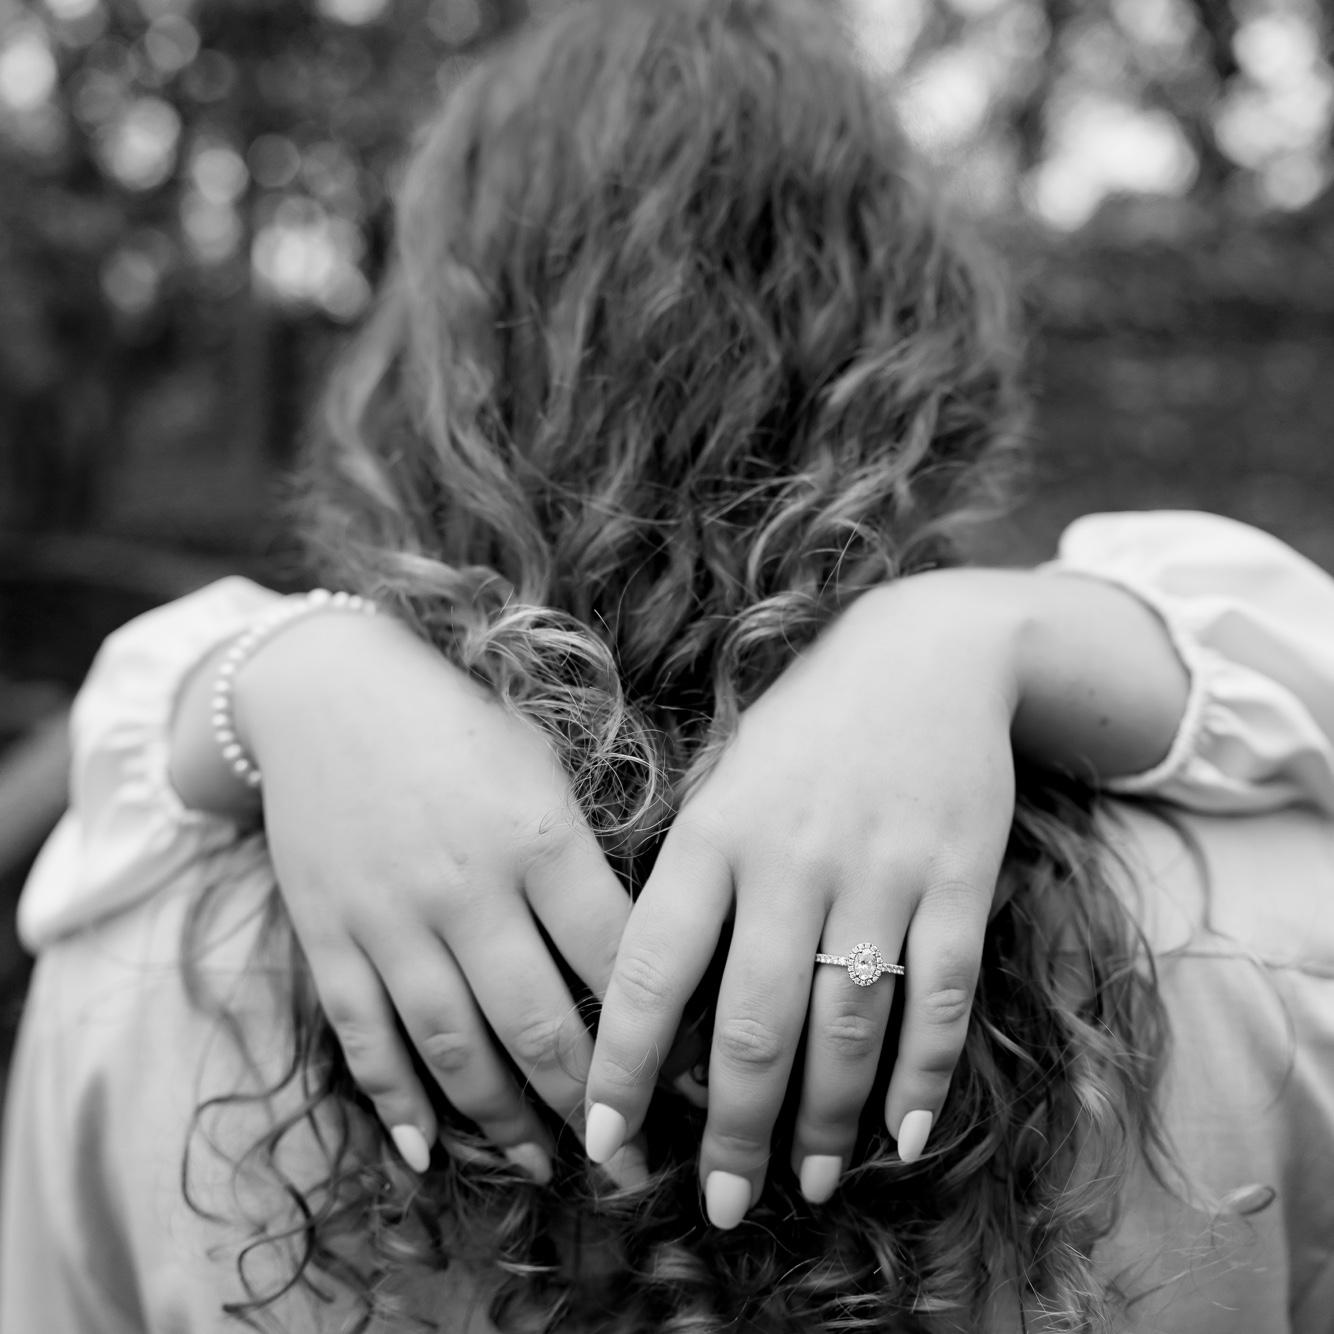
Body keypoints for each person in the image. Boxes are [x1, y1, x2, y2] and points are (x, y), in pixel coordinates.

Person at [4, 0, 1334, 1328]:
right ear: (939, 366)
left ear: (412, 379)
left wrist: (273, 670)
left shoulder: (139, 956)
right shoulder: (1257, 932)